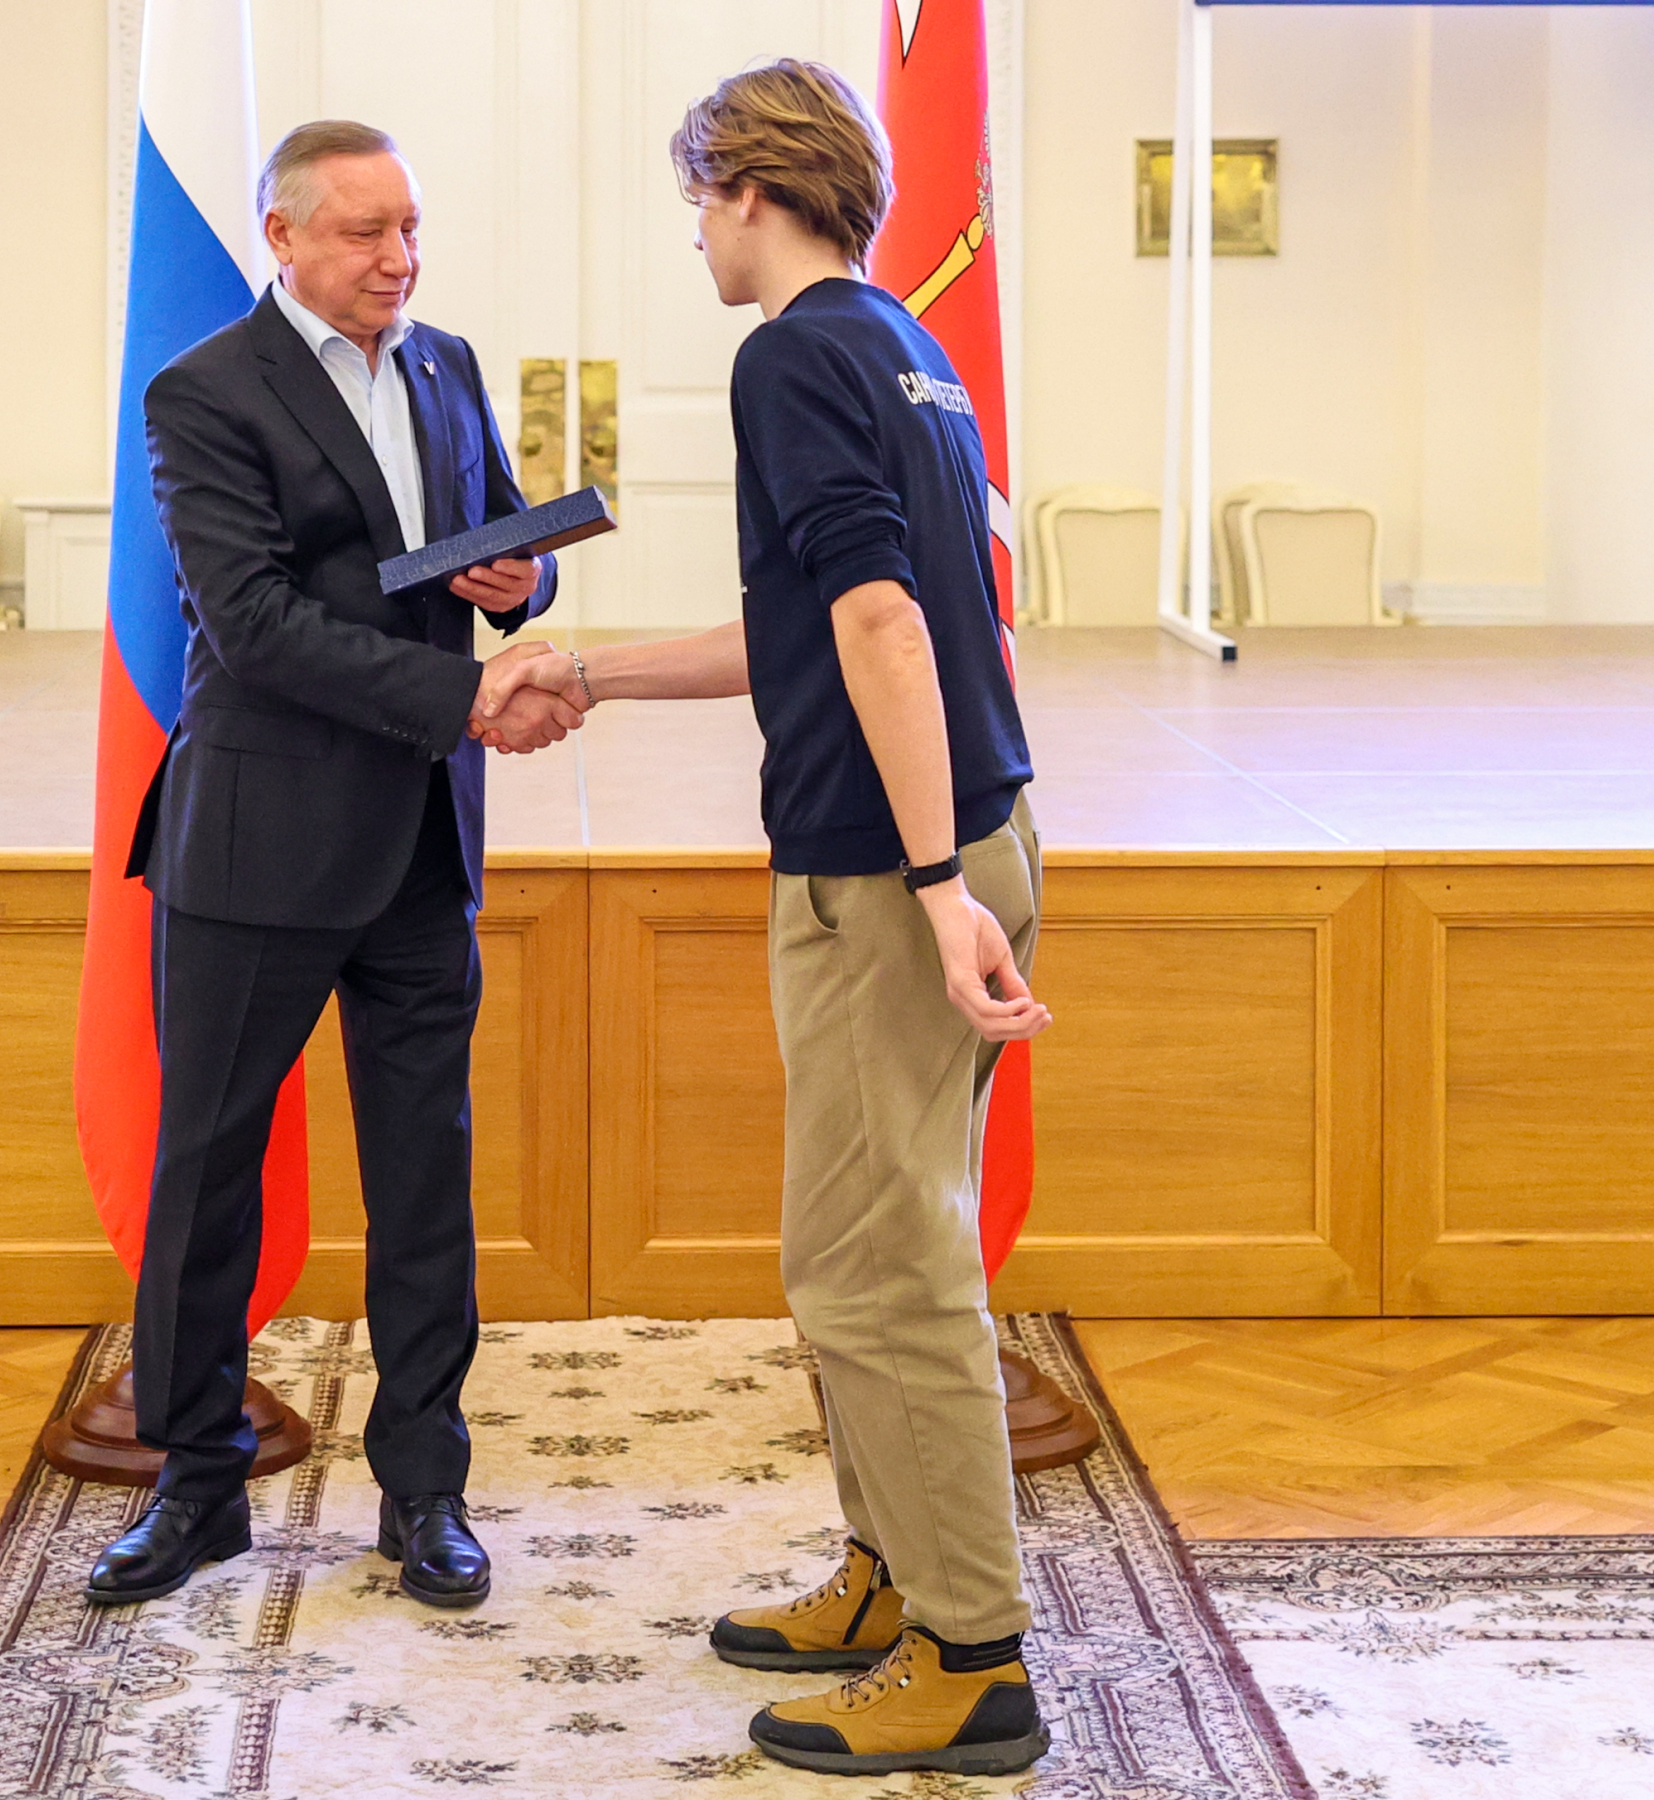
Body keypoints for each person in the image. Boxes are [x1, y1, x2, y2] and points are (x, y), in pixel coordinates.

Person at [477, 59, 1052, 1779]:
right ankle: (893, 1576)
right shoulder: (907, 347)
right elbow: (812, 626)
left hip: (892, 872)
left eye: (697, 201)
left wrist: (932, 890)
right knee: (860, 1258)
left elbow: (884, 627)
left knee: (887, 1275)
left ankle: (973, 1656)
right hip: (959, 837)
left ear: (744, 187)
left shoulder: (788, 354)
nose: (697, 237)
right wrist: (589, 672)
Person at [86, 120, 579, 1612]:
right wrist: (464, 695)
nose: (398, 257)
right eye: (366, 232)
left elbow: (499, 546)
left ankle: (425, 1490)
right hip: (259, 842)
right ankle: (195, 1487)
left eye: (409, 226)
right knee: (209, 1174)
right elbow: (248, 623)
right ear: (283, 236)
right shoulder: (204, 389)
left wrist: (526, 577)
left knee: (426, 1178)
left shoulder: (447, 366)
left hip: (421, 842)